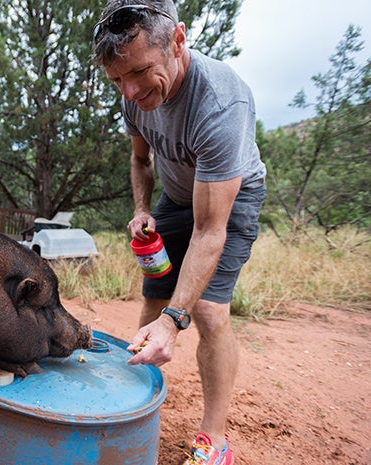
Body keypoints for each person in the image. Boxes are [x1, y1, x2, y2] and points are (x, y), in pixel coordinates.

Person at [92, 1, 266, 464]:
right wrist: (142, 209)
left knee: (206, 310)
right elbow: (140, 158)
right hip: (176, 195)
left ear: (178, 42)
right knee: (154, 294)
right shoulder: (133, 88)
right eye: (117, 81)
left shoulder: (221, 103)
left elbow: (210, 232)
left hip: (231, 200)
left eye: (141, 73)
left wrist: (176, 320)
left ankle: (215, 441)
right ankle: (135, 403)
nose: (129, 91)